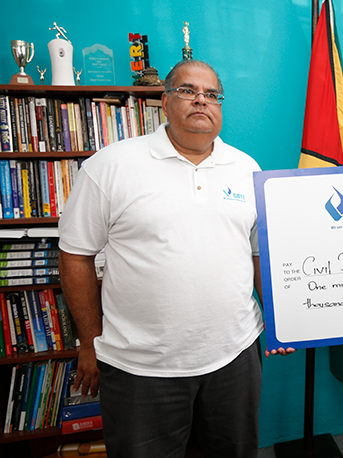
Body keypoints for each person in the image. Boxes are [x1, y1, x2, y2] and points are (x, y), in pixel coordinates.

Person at [59, 59, 292, 458]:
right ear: (164, 102)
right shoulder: (111, 166)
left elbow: (257, 253)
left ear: (220, 106)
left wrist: (281, 319)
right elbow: (75, 255)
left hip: (234, 358)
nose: (201, 100)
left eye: (212, 94)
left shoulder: (246, 168)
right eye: (188, 90)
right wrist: (89, 343)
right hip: (141, 368)